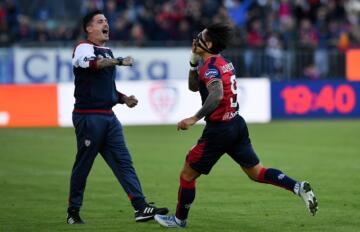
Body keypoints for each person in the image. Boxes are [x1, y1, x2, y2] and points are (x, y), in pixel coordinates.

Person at [154, 23, 318, 228]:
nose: (196, 38)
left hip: (219, 130)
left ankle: (179, 220)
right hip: (236, 124)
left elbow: (216, 94)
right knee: (256, 172)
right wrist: (193, 63)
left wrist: (194, 118)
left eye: (201, 36)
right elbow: (193, 87)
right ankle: (297, 187)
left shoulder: (211, 67)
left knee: (187, 174)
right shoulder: (223, 62)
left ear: (209, 44)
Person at [66, 10, 168, 224]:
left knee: (124, 162)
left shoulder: (107, 51)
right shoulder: (83, 48)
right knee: (84, 165)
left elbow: (106, 87)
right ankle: (73, 212)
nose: (106, 24)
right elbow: (93, 64)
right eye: (100, 21)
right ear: (88, 28)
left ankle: (141, 208)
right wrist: (119, 61)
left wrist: (123, 98)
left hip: (108, 117)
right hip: (88, 117)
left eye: (106, 21)